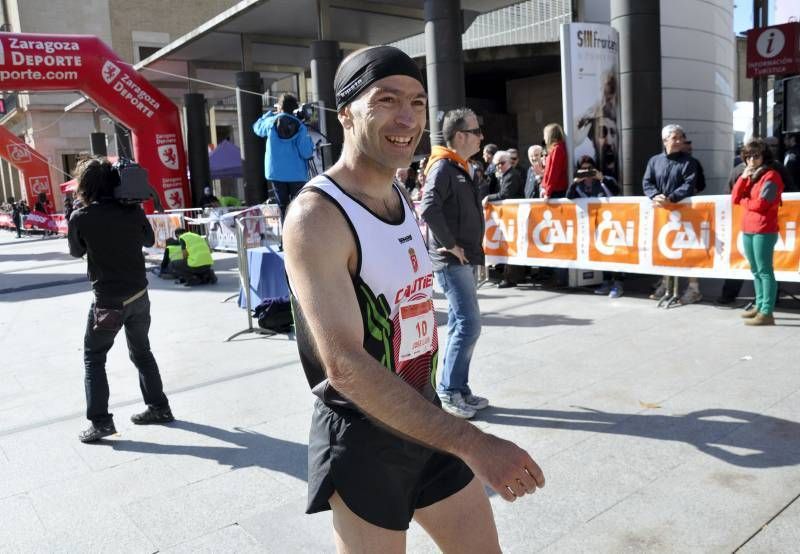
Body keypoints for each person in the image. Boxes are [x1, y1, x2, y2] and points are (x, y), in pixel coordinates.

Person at [283, 46, 544, 553]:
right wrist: (474, 441)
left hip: (425, 419)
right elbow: (345, 365)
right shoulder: (317, 216)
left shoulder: (400, 193)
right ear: (345, 115)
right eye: (386, 100)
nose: (407, 117)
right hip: (364, 438)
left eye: (418, 102)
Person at [67, 157, 174, 443]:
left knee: (94, 356)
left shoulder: (81, 217)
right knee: (142, 351)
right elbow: (150, 241)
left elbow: (76, 252)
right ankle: (159, 407)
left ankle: (101, 422)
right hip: (139, 296)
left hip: (108, 303)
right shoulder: (132, 211)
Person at [422, 108, 491, 417]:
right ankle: (449, 391)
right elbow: (428, 209)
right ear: (460, 136)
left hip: (461, 258)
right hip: (450, 260)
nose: (481, 136)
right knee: (468, 324)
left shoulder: (459, 167)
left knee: (463, 324)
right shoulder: (444, 168)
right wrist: (451, 245)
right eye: (476, 131)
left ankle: (458, 388)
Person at [643, 124, 702, 305]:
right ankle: (666, 285)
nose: (679, 141)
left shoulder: (689, 162)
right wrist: (655, 195)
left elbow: (689, 184)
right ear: (665, 140)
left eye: (681, 137)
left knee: (689, 250)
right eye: (675, 138)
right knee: (665, 248)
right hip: (663, 214)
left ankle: (693, 289)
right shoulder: (654, 161)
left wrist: (671, 197)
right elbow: (647, 181)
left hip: (685, 213)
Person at [731, 137, 784, 326]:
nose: (751, 160)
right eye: (748, 157)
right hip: (749, 228)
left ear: (763, 156)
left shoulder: (771, 176)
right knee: (755, 270)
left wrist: (745, 201)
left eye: (755, 156)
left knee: (764, 271)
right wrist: (744, 177)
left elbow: (762, 204)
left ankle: (767, 312)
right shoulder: (752, 176)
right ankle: (760, 305)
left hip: (764, 229)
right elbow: (735, 197)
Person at [252, 93, 315, 224]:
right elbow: (306, 153)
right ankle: (299, 238)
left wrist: (270, 114)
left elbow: (257, 128)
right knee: (298, 206)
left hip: (276, 173)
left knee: (283, 206)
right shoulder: (300, 126)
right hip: (297, 174)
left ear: (280, 107)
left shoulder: (271, 122)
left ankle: (285, 240)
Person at [567, 156, 623, 298]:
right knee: (602, 254)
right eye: (583, 169)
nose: (587, 171)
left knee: (613, 254)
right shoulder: (579, 186)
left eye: (589, 168)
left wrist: (601, 178)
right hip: (594, 224)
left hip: (611, 224)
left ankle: (617, 283)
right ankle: (606, 281)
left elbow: (616, 191)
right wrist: (574, 182)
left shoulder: (606, 180)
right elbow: (569, 196)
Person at [484, 150, 526, 289]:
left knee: (513, 247)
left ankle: (511, 277)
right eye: (496, 164)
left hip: (515, 215)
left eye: (501, 163)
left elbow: (505, 194)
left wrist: (488, 198)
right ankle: (511, 276)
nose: (499, 167)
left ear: (509, 162)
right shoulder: (504, 175)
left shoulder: (512, 175)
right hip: (510, 216)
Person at [541, 123, 568, 199]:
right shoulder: (556, 148)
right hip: (553, 190)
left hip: (556, 191)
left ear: (550, 135)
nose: (544, 138)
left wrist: (548, 191)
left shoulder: (558, 149)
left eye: (545, 135)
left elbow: (554, 172)